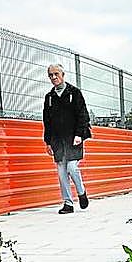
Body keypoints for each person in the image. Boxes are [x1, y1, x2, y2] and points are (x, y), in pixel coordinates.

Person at [43, 63, 92, 214]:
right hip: (58, 141)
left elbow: (83, 115)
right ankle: (68, 203)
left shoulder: (74, 93)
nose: (53, 77)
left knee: (72, 167)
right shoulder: (49, 97)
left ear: (62, 75)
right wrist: (48, 142)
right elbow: (47, 121)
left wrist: (79, 134)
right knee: (61, 172)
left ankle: (81, 192)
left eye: (56, 74)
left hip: (73, 138)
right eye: (51, 75)